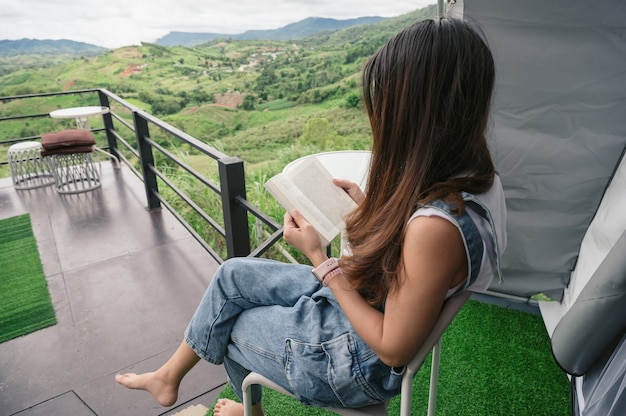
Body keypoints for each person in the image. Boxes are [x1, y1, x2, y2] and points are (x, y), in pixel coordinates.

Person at [115, 17, 507, 416]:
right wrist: (365, 210)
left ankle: (251, 410)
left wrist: (320, 259)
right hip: (369, 299)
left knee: (230, 322)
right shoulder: (479, 180)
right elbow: (417, 265)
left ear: (418, 114)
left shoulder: (436, 228)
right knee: (233, 274)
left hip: (356, 360)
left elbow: (392, 348)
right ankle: (168, 377)